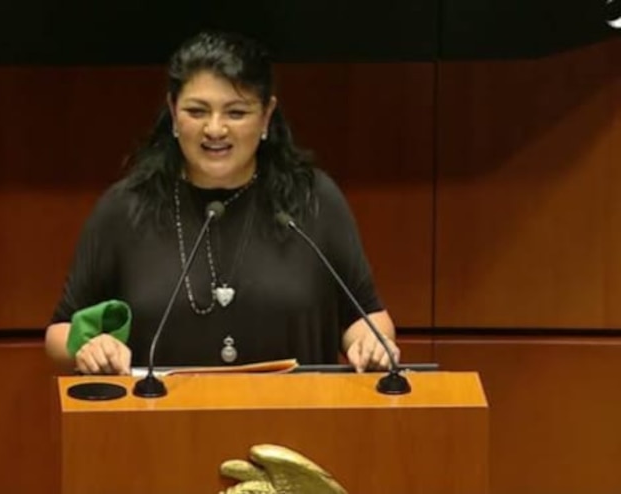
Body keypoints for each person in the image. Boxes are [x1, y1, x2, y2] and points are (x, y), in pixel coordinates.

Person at [44, 30, 400, 375]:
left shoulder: (313, 200)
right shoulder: (127, 208)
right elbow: (59, 333)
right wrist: (91, 348)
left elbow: (366, 318)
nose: (215, 129)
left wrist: (371, 341)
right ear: (173, 111)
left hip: (293, 431)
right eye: (197, 111)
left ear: (266, 116)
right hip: (161, 430)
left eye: (236, 112)